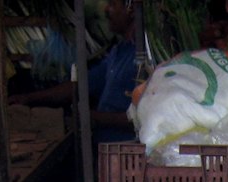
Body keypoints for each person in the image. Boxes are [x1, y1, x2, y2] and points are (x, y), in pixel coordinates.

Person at [11, 0, 137, 145]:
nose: (106, 9)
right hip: (105, 150)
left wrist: (94, 117)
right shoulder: (117, 53)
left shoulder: (144, 57)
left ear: (131, 9)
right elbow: (80, 85)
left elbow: (144, 118)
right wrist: (28, 99)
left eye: (113, 4)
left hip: (129, 152)